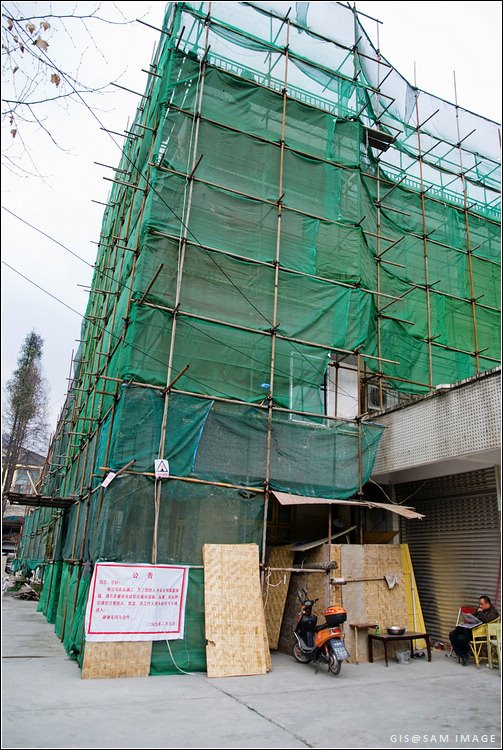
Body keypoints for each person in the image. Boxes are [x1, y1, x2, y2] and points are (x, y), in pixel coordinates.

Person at [449, 595, 499, 665]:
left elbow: (486, 620)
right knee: (452, 634)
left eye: (482, 604)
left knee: (460, 637)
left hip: (481, 633)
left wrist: (480, 612)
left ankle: (465, 654)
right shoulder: (479, 610)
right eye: (479, 604)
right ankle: (462, 654)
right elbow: (473, 617)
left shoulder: (493, 613)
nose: (480, 606)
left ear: (488, 603)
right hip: (472, 630)